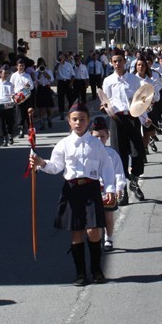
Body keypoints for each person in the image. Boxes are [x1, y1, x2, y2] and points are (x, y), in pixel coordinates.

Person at [29, 103, 116, 286]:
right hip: (72, 190)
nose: (78, 123)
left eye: (82, 119)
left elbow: (106, 168)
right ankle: (80, 273)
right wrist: (40, 163)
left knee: (94, 231)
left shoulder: (95, 144)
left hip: (92, 189)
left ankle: (96, 269)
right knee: (77, 233)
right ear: (69, 121)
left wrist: (110, 190)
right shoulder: (63, 144)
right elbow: (55, 167)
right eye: (75, 119)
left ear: (88, 121)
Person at [102, 49, 147, 205]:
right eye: (114, 61)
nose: (117, 64)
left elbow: (140, 102)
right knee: (119, 156)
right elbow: (106, 100)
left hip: (132, 118)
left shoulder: (134, 80)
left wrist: (145, 119)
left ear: (125, 61)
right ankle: (123, 191)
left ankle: (134, 180)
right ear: (111, 63)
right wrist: (105, 107)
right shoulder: (108, 81)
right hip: (116, 120)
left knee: (138, 152)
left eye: (120, 60)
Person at [90, 116, 127, 252]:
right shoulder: (88, 153)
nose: (100, 139)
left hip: (108, 190)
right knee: (95, 218)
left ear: (107, 136)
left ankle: (108, 238)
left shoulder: (112, 154)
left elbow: (118, 172)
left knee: (108, 217)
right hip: (93, 190)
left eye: (102, 136)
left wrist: (119, 187)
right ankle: (97, 238)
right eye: (96, 136)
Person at [10, 58, 34, 138]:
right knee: (20, 114)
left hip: (26, 96)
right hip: (18, 97)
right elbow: (11, 86)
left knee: (27, 113)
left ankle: (30, 129)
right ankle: (21, 129)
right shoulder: (13, 75)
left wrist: (28, 86)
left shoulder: (27, 76)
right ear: (17, 66)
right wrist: (13, 95)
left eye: (23, 65)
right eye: (20, 65)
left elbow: (32, 86)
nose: (21, 67)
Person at [0, 65, 17, 146]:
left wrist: (14, 99)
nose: (6, 75)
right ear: (0, 74)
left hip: (8, 104)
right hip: (0, 104)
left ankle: (10, 135)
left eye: (7, 73)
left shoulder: (10, 84)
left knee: (10, 122)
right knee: (1, 122)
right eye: (4, 73)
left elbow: (12, 94)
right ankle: (4, 138)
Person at [34, 58, 56, 130]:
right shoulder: (36, 72)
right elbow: (37, 80)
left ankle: (49, 118)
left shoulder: (48, 71)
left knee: (48, 106)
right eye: (40, 64)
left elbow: (51, 79)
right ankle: (42, 123)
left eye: (42, 64)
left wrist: (44, 73)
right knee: (41, 107)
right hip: (40, 88)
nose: (41, 65)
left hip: (46, 88)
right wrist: (40, 73)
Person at [55, 53, 75, 117]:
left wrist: (71, 83)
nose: (61, 58)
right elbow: (55, 71)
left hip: (68, 82)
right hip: (61, 82)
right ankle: (61, 112)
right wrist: (59, 63)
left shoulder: (69, 65)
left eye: (62, 57)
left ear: (64, 57)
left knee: (70, 97)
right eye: (60, 57)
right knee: (61, 98)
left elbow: (73, 75)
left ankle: (71, 111)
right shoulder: (57, 65)